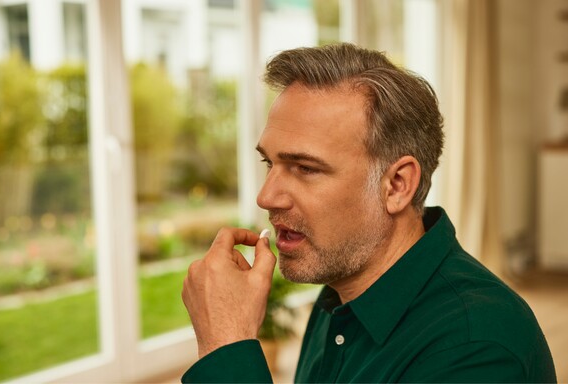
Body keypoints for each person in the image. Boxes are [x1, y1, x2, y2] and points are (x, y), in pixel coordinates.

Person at [180, 43, 557, 383]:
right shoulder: (339, 293)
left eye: (305, 168)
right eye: (270, 163)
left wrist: (227, 347)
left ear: (396, 185)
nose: (266, 197)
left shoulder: (476, 346)